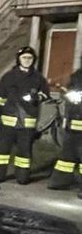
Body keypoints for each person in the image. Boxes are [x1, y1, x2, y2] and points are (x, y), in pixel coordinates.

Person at [0, 46, 50, 185]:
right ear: (18, 59)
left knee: (24, 153)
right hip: (8, 121)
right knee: (2, 152)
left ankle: (22, 176)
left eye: (30, 58)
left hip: (27, 122)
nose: (27, 60)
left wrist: (37, 97)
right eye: (24, 57)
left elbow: (45, 94)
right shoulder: (9, 76)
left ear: (33, 60)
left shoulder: (38, 78)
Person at [47, 61, 82, 198]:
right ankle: (59, 181)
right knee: (66, 156)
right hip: (72, 125)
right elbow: (69, 97)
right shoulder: (77, 77)